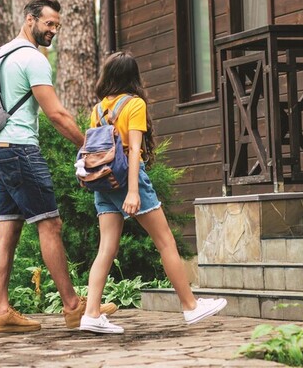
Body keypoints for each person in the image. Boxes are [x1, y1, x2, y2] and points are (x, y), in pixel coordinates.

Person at [0, 0, 117, 333]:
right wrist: (88, 147)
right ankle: (73, 306)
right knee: (50, 225)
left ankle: (1, 310)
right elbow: (57, 114)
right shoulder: (32, 59)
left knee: (8, 229)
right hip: (20, 151)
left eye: (57, 26)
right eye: (49, 24)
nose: (53, 31)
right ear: (30, 19)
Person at [79, 51, 227, 334]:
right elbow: (133, 149)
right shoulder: (134, 104)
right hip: (127, 180)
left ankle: (91, 313)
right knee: (166, 242)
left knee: (106, 248)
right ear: (133, 76)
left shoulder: (98, 109)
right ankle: (191, 306)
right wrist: (133, 191)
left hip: (104, 181)